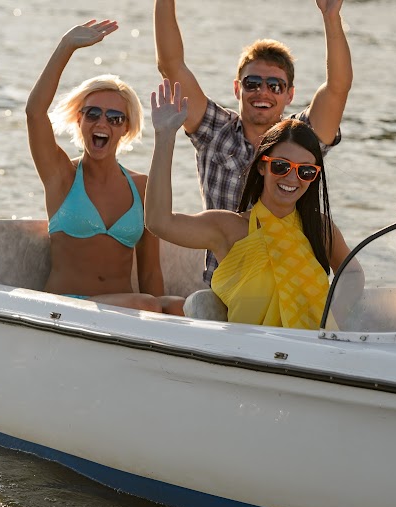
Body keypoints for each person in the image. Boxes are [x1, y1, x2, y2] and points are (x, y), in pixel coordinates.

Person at [154, 0, 352, 284]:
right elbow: (171, 66)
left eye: (275, 86)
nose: (263, 92)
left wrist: (331, 17)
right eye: (252, 83)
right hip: (226, 287)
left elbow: (337, 88)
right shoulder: (214, 129)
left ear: (290, 94)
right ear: (237, 88)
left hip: (291, 284)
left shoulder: (301, 136)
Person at [146, 80, 357, 329]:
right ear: (262, 166)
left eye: (306, 171)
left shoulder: (319, 227)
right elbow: (159, 222)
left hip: (312, 349)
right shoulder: (229, 228)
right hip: (250, 350)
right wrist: (164, 136)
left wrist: (331, 320)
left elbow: (352, 273)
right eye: (281, 166)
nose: (292, 178)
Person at [25, 20, 184, 315]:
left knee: (180, 306)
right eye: (93, 114)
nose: (102, 123)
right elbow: (35, 113)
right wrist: (66, 47)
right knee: (147, 304)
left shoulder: (141, 187)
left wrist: (163, 322)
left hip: (121, 312)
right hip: (66, 308)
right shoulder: (61, 176)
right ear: (79, 120)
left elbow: (150, 272)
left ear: (125, 128)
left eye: (114, 118)